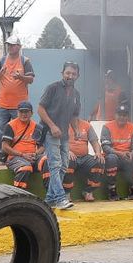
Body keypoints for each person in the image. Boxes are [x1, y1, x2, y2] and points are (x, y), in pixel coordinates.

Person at [35, 61, 80, 209]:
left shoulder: (76, 94)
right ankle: (61, 199)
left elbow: (74, 115)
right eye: (68, 73)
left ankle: (50, 200)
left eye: (73, 74)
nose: (70, 76)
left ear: (77, 76)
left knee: (63, 166)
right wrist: (52, 126)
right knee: (55, 165)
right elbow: (40, 109)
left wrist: (76, 129)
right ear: (62, 73)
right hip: (50, 132)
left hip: (64, 135)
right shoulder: (52, 88)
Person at [0, 35, 35, 160]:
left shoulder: (25, 61)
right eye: (8, 44)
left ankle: (18, 154)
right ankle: (2, 155)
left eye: (12, 45)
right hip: (2, 103)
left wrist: (21, 77)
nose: (10, 47)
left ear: (19, 46)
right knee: (0, 131)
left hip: (20, 106)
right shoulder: (1, 60)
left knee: (20, 130)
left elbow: (31, 79)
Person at [1, 102, 50, 194]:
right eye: (21, 112)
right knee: (25, 168)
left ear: (31, 113)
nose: (24, 114)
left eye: (26, 112)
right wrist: (22, 154)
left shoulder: (37, 127)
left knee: (47, 160)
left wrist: (35, 154)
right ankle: (17, 195)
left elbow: (42, 146)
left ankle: (49, 193)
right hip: (15, 157)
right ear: (17, 113)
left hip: (32, 157)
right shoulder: (11, 125)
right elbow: (5, 147)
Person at [101, 105, 133, 201]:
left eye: (124, 115)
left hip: (128, 157)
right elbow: (105, 147)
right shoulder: (107, 126)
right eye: (119, 115)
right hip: (114, 157)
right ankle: (112, 191)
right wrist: (120, 153)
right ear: (115, 115)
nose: (122, 117)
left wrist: (132, 154)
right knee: (111, 158)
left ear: (128, 116)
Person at [63, 116, 104, 202]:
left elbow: (95, 141)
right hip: (69, 156)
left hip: (85, 157)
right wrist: (67, 152)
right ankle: (66, 193)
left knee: (99, 161)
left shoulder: (86, 125)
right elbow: (58, 142)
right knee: (69, 161)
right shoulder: (63, 124)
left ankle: (88, 191)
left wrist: (98, 152)